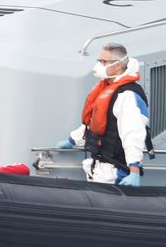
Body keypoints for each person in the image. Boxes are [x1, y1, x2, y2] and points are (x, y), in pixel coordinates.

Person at [55, 42, 150, 187]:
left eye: (103, 62)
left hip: (115, 170)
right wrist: (73, 140)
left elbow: (133, 134)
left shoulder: (127, 95)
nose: (99, 65)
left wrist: (134, 171)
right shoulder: (107, 88)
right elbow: (97, 122)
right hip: (99, 166)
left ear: (117, 65)